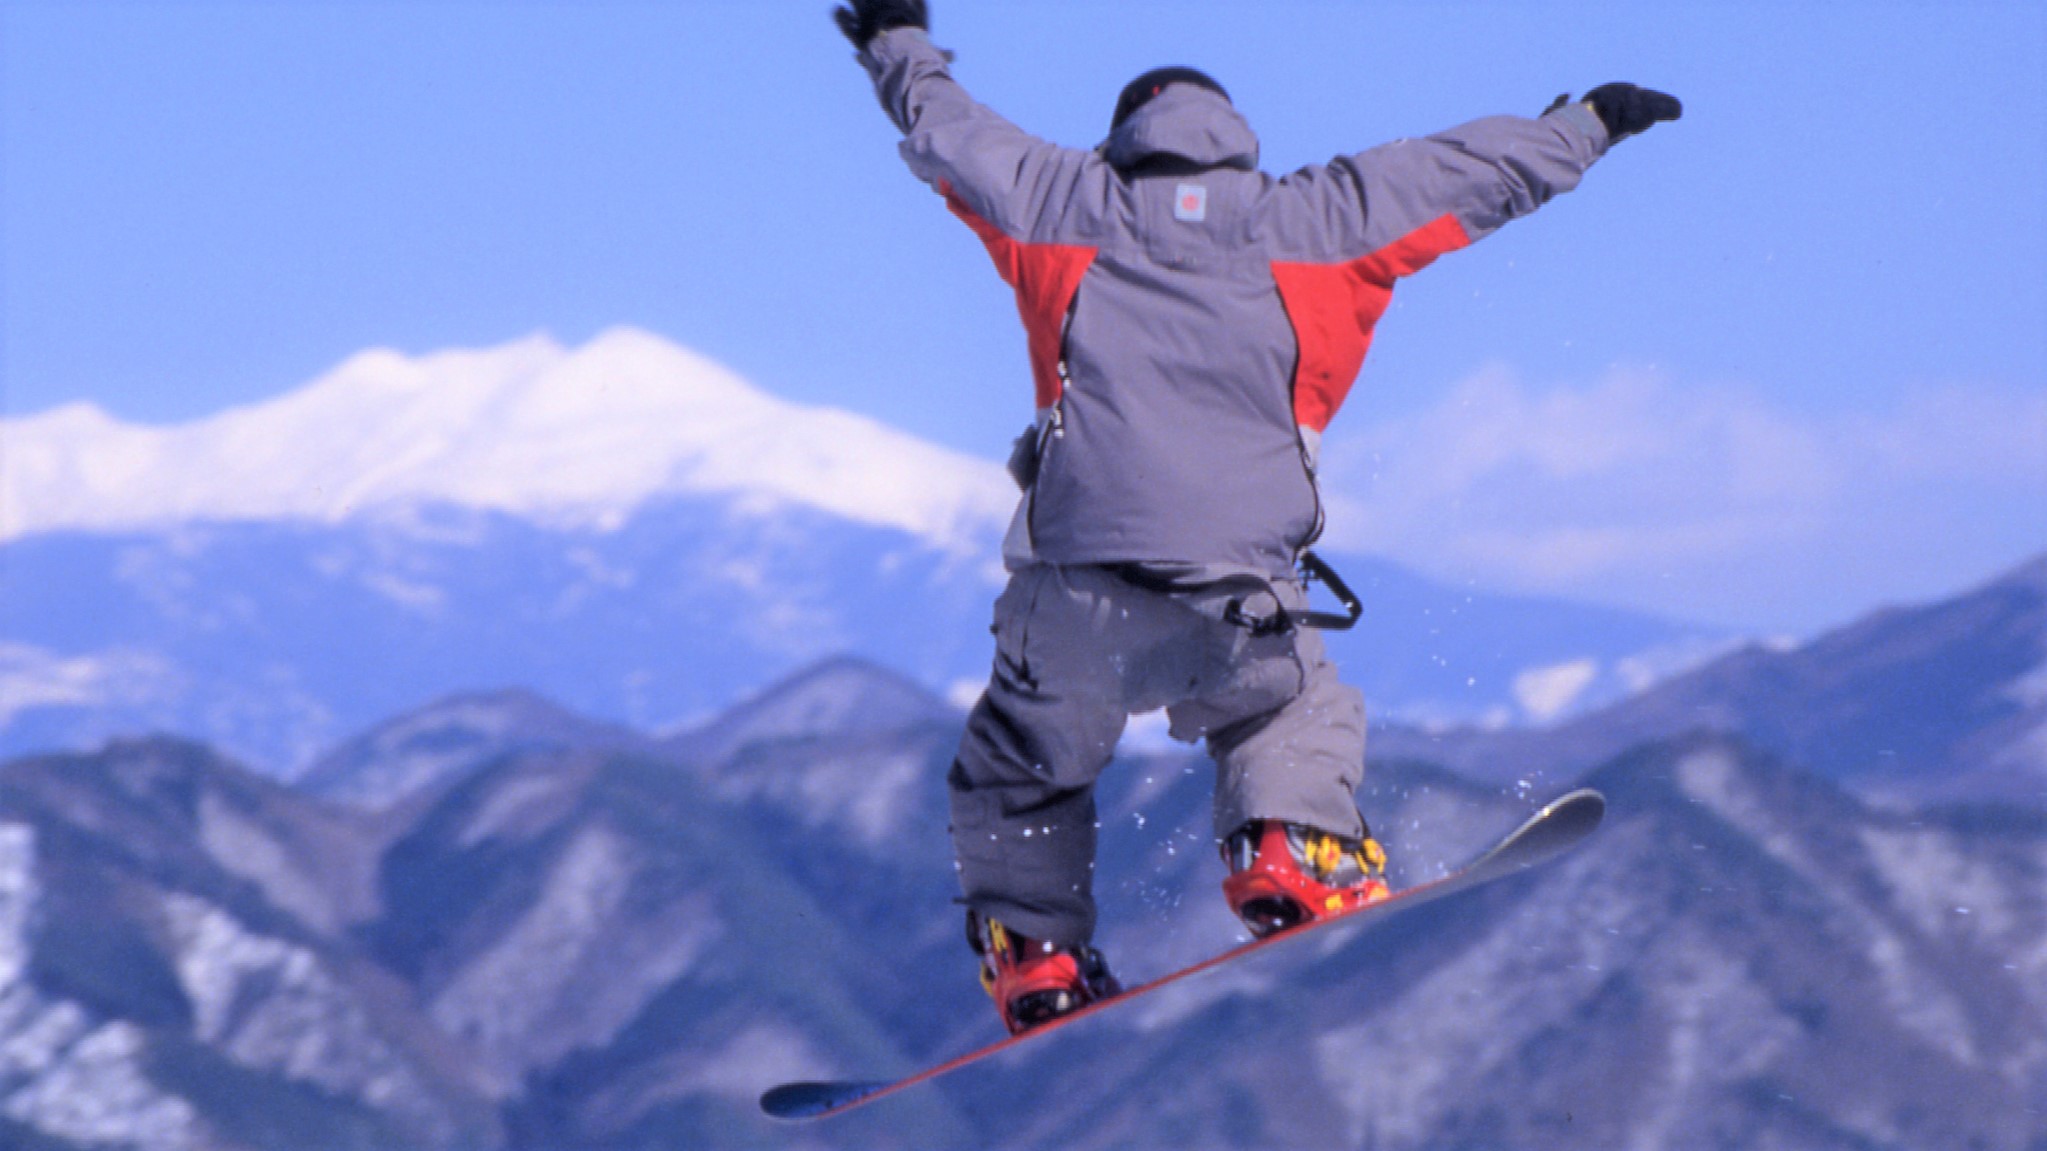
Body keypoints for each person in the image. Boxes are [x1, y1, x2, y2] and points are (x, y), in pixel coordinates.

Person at [833, 0, 1679, 1034]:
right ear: (1233, 143)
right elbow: (1467, 170)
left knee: (1019, 757)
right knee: (1289, 711)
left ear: (1121, 142)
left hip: (1074, 602)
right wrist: (1583, 123)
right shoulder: (1317, 219)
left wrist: (893, 39)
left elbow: (946, 130)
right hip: (1238, 604)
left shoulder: (1059, 203)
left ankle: (1035, 955)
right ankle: (1290, 844)